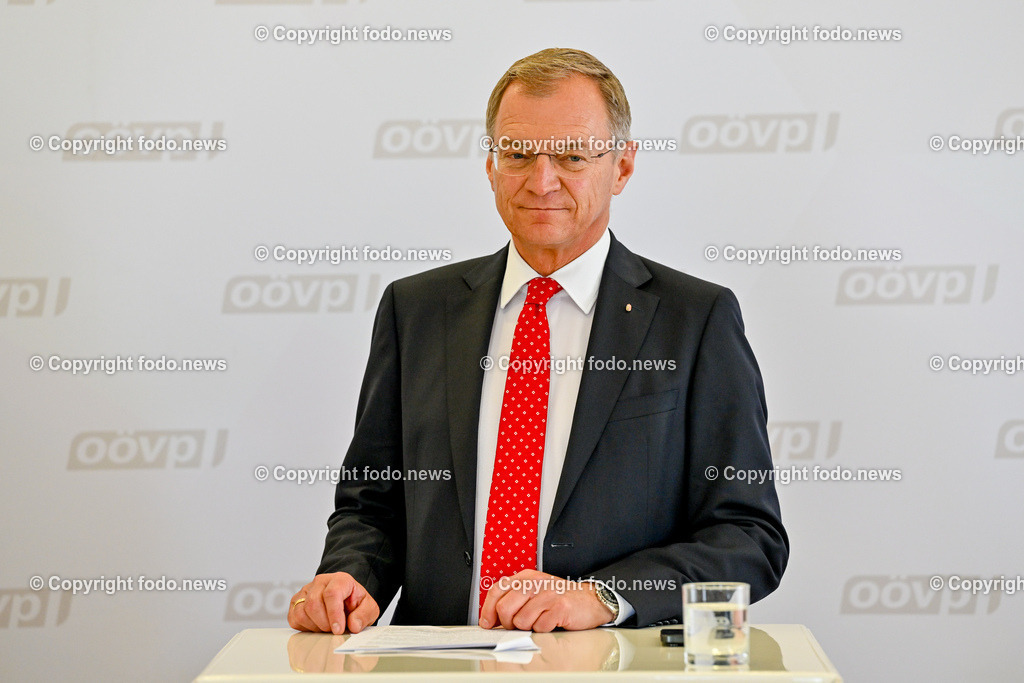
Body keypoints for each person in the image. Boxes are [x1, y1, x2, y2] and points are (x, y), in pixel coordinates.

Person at [288, 47, 788, 635]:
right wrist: (351, 577)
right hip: (438, 665)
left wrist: (602, 596)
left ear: (623, 167)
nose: (541, 180)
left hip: (610, 668)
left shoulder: (695, 319)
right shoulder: (416, 309)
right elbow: (372, 505)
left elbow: (748, 537)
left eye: (572, 155)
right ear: (490, 165)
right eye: (518, 153)